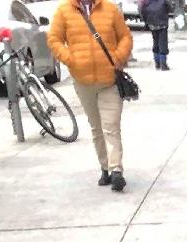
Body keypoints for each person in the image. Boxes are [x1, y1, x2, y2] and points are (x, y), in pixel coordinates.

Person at [48, 1, 133, 191]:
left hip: (109, 80)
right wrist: (70, 59)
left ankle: (116, 170)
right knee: (97, 127)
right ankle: (105, 168)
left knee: (110, 126)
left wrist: (118, 57)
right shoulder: (64, 11)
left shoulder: (110, 9)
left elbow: (125, 36)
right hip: (83, 81)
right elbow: (54, 39)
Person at [141, 0, 171, 69]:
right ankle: (163, 63)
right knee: (163, 43)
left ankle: (157, 63)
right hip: (162, 23)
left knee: (155, 42)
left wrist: (146, 21)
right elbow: (169, 8)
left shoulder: (147, 1)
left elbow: (142, 10)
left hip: (152, 23)